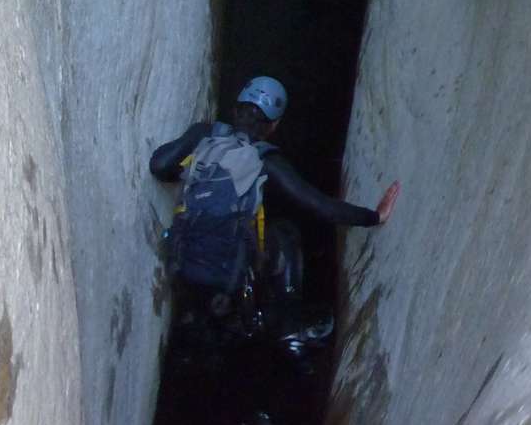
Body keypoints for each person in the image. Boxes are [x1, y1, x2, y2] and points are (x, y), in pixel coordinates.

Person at [150, 75, 399, 315]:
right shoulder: (265, 159)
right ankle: (286, 319)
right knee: (285, 234)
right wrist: (374, 216)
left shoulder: (204, 134)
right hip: (228, 280)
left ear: (235, 109)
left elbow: (160, 166)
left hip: (180, 265)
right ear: (274, 125)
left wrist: (187, 173)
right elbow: (319, 206)